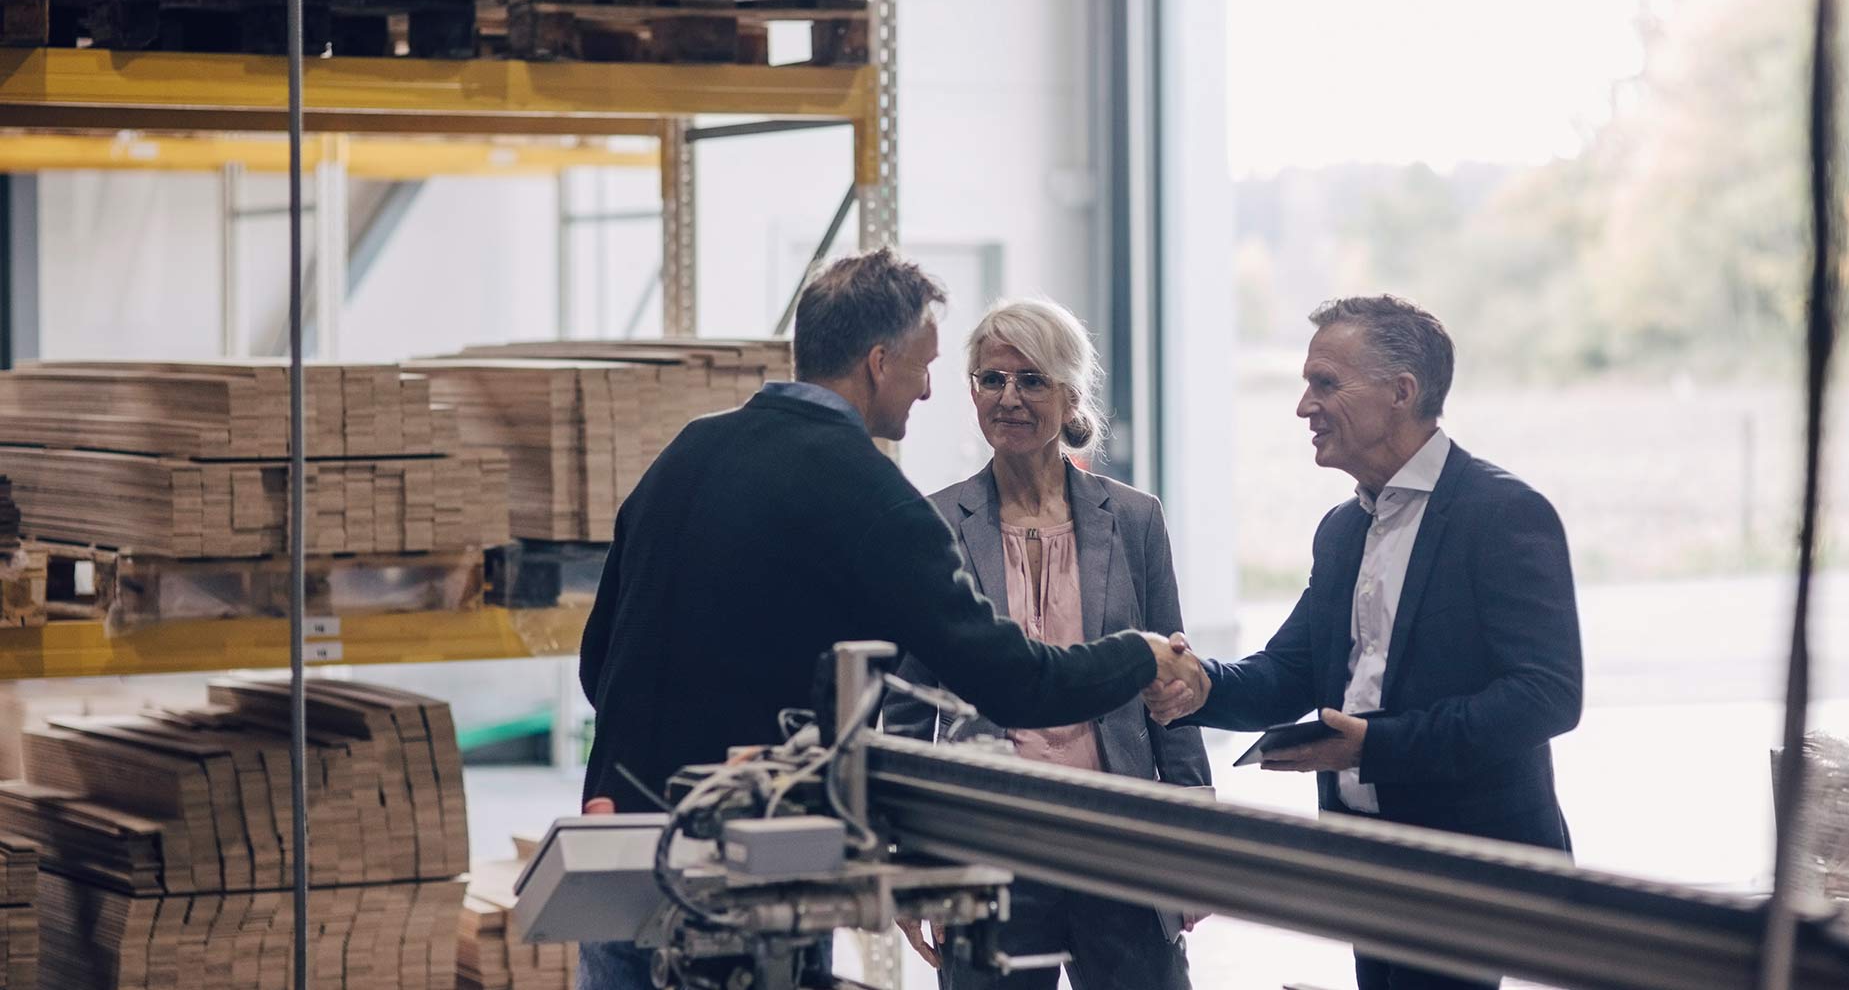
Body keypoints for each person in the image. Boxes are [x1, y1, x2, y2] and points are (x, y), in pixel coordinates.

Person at [575, 249, 1195, 990]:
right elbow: (1011, 681)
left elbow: (597, 661)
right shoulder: (870, 493)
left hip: (616, 855)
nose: (930, 389)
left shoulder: (686, 451)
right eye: (929, 365)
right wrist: (1145, 655)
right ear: (878, 363)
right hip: (745, 876)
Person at [1146, 295, 1583, 990]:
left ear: (1401, 393)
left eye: (1325, 383)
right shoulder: (1343, 530)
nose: (1303, 407)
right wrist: (1200, 687)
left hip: (1471, 875)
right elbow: (1290, 672)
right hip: (1365, 860)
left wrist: (1376, 747)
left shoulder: (1503, 514)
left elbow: (1546, 698)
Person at [885, 298, 1209, 990]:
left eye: (1031, 380)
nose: (1009, 398)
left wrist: (1195, 844)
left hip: (1119, 839)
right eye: (990, 379)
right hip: (989, 842)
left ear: (1069, 394)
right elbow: (908, 710)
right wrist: (910, 856)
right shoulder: (933, 523)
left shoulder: (1134, 519)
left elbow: (1173, 696)